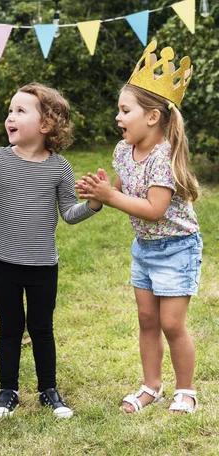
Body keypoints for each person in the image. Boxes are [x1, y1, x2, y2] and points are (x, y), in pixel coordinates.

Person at [0, 82, 102, 420]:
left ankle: (48, 390)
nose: (10, 117)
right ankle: (6, 392)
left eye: (20, 111)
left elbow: (68, 214)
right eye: (10, 111)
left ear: (46, 125)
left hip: (42, 266)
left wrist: (94, 204)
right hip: (2, 262)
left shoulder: (59, 168)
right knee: (10, 328)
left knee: (41, 328)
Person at [76, 41, 202, 415]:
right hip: (144, 249)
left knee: (171, 324)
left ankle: (186, 390)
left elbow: (154, 209)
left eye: (125, 110)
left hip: (177, 248)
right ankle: (151, 386)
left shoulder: (164, 157)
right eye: (119, 110)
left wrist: (111, 198)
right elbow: (121, 187)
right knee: (147, 320)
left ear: (151, 117)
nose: (118, 117)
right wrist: (100, 192)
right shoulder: (122, 150)